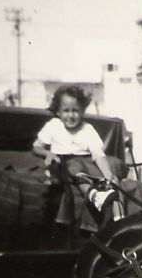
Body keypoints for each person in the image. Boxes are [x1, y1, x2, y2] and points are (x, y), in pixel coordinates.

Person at [32, 85, 117, 221]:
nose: (71, 115)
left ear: (82, 111)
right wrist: (48, 153)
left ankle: (117, 212)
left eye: (75, 111)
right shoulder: (53, 126)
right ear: (58, 112)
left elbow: (98, 154)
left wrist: (108, 174)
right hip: (62, 166)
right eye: (66, 110)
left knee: (112, 168)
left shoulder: (88, 129)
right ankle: (94, 196)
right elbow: (36, 147)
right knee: (74, 167)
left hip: (85, 166)